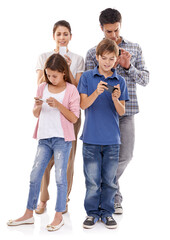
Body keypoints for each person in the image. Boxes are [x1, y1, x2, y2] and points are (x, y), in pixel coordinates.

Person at [85, 8, 149, 214]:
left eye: (116, 31)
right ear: (101, 28)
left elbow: (146, 80)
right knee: (106, 157)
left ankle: (106, 188)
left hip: (126, 111)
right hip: (101, 113)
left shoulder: (134, 48)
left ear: (120, 25)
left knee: (126, 155)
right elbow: (85, 83)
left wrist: (128, 66)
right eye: (108, 32)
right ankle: (115, 198)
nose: (113, 36)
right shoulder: (92, 53)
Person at [7, 54, 80, 231]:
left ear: (63, 73)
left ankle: (58, 215)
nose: (50, 79)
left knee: (60, 178)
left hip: (63, 140)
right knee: (34, 175)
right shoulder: (42, 87)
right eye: (48, 75)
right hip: (44, 139)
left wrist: (58, 105)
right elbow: (36, 113)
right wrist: (38, 106)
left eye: (54, 75)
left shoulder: (71, 90)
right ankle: (28, 213)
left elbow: (74, 117)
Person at [77, 39, 129, 229]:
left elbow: (122, 111)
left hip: (112, 141)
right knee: (92, 181)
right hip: (90, 139)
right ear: (97, 57)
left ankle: (107, 213)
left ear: (116, 60)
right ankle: (91, 213)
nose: (107, 62)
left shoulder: (120, 81)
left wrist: (115, 99)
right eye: (104, 58)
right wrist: (96, 93)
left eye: (111, 59)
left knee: (109, 181)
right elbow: (82, 105)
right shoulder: (87, 78)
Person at [35, 20, 84, 214]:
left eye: (66, 34)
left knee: (68, 158)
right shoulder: (44, 56)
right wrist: (53, 64)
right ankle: (43, 199)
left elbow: (76, 90)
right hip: (48, 113)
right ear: (53, 36)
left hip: (70, 115)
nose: (62, 37)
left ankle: (64, 199)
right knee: (45, 159)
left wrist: (67, 69)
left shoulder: (78, 59)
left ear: (70, 36)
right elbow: (39, 84)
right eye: (59, 34)